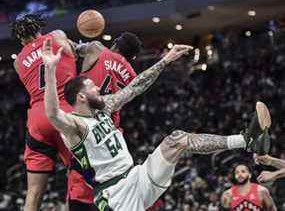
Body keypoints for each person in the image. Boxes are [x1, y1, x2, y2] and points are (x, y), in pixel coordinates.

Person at [42, 38, 271, 211]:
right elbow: (52, 114)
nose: (97, 88)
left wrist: (165, 60)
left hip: (136, 175)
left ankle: (246, 140)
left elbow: (136, 87)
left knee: (177, 139)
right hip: (115, 194)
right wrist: (51, 70)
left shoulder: (105, 106)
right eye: (92, 87)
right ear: (81, 97)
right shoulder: (74, 126)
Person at [67, 33, 141, 210]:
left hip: (86, 124)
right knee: (109, 193)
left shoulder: (97, 49)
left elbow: (74, 49)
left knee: (79, 190)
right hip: (111, 131)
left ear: (115, 42)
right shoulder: (133, 76)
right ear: (133, 57)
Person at [11, 14, 77, 211]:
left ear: (21, 39)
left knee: (33, 193)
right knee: (76, 182)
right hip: (66, 113)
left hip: (39, 119)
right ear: (40, 28)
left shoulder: (18, 62)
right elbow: (75, 52)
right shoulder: (56, 36)